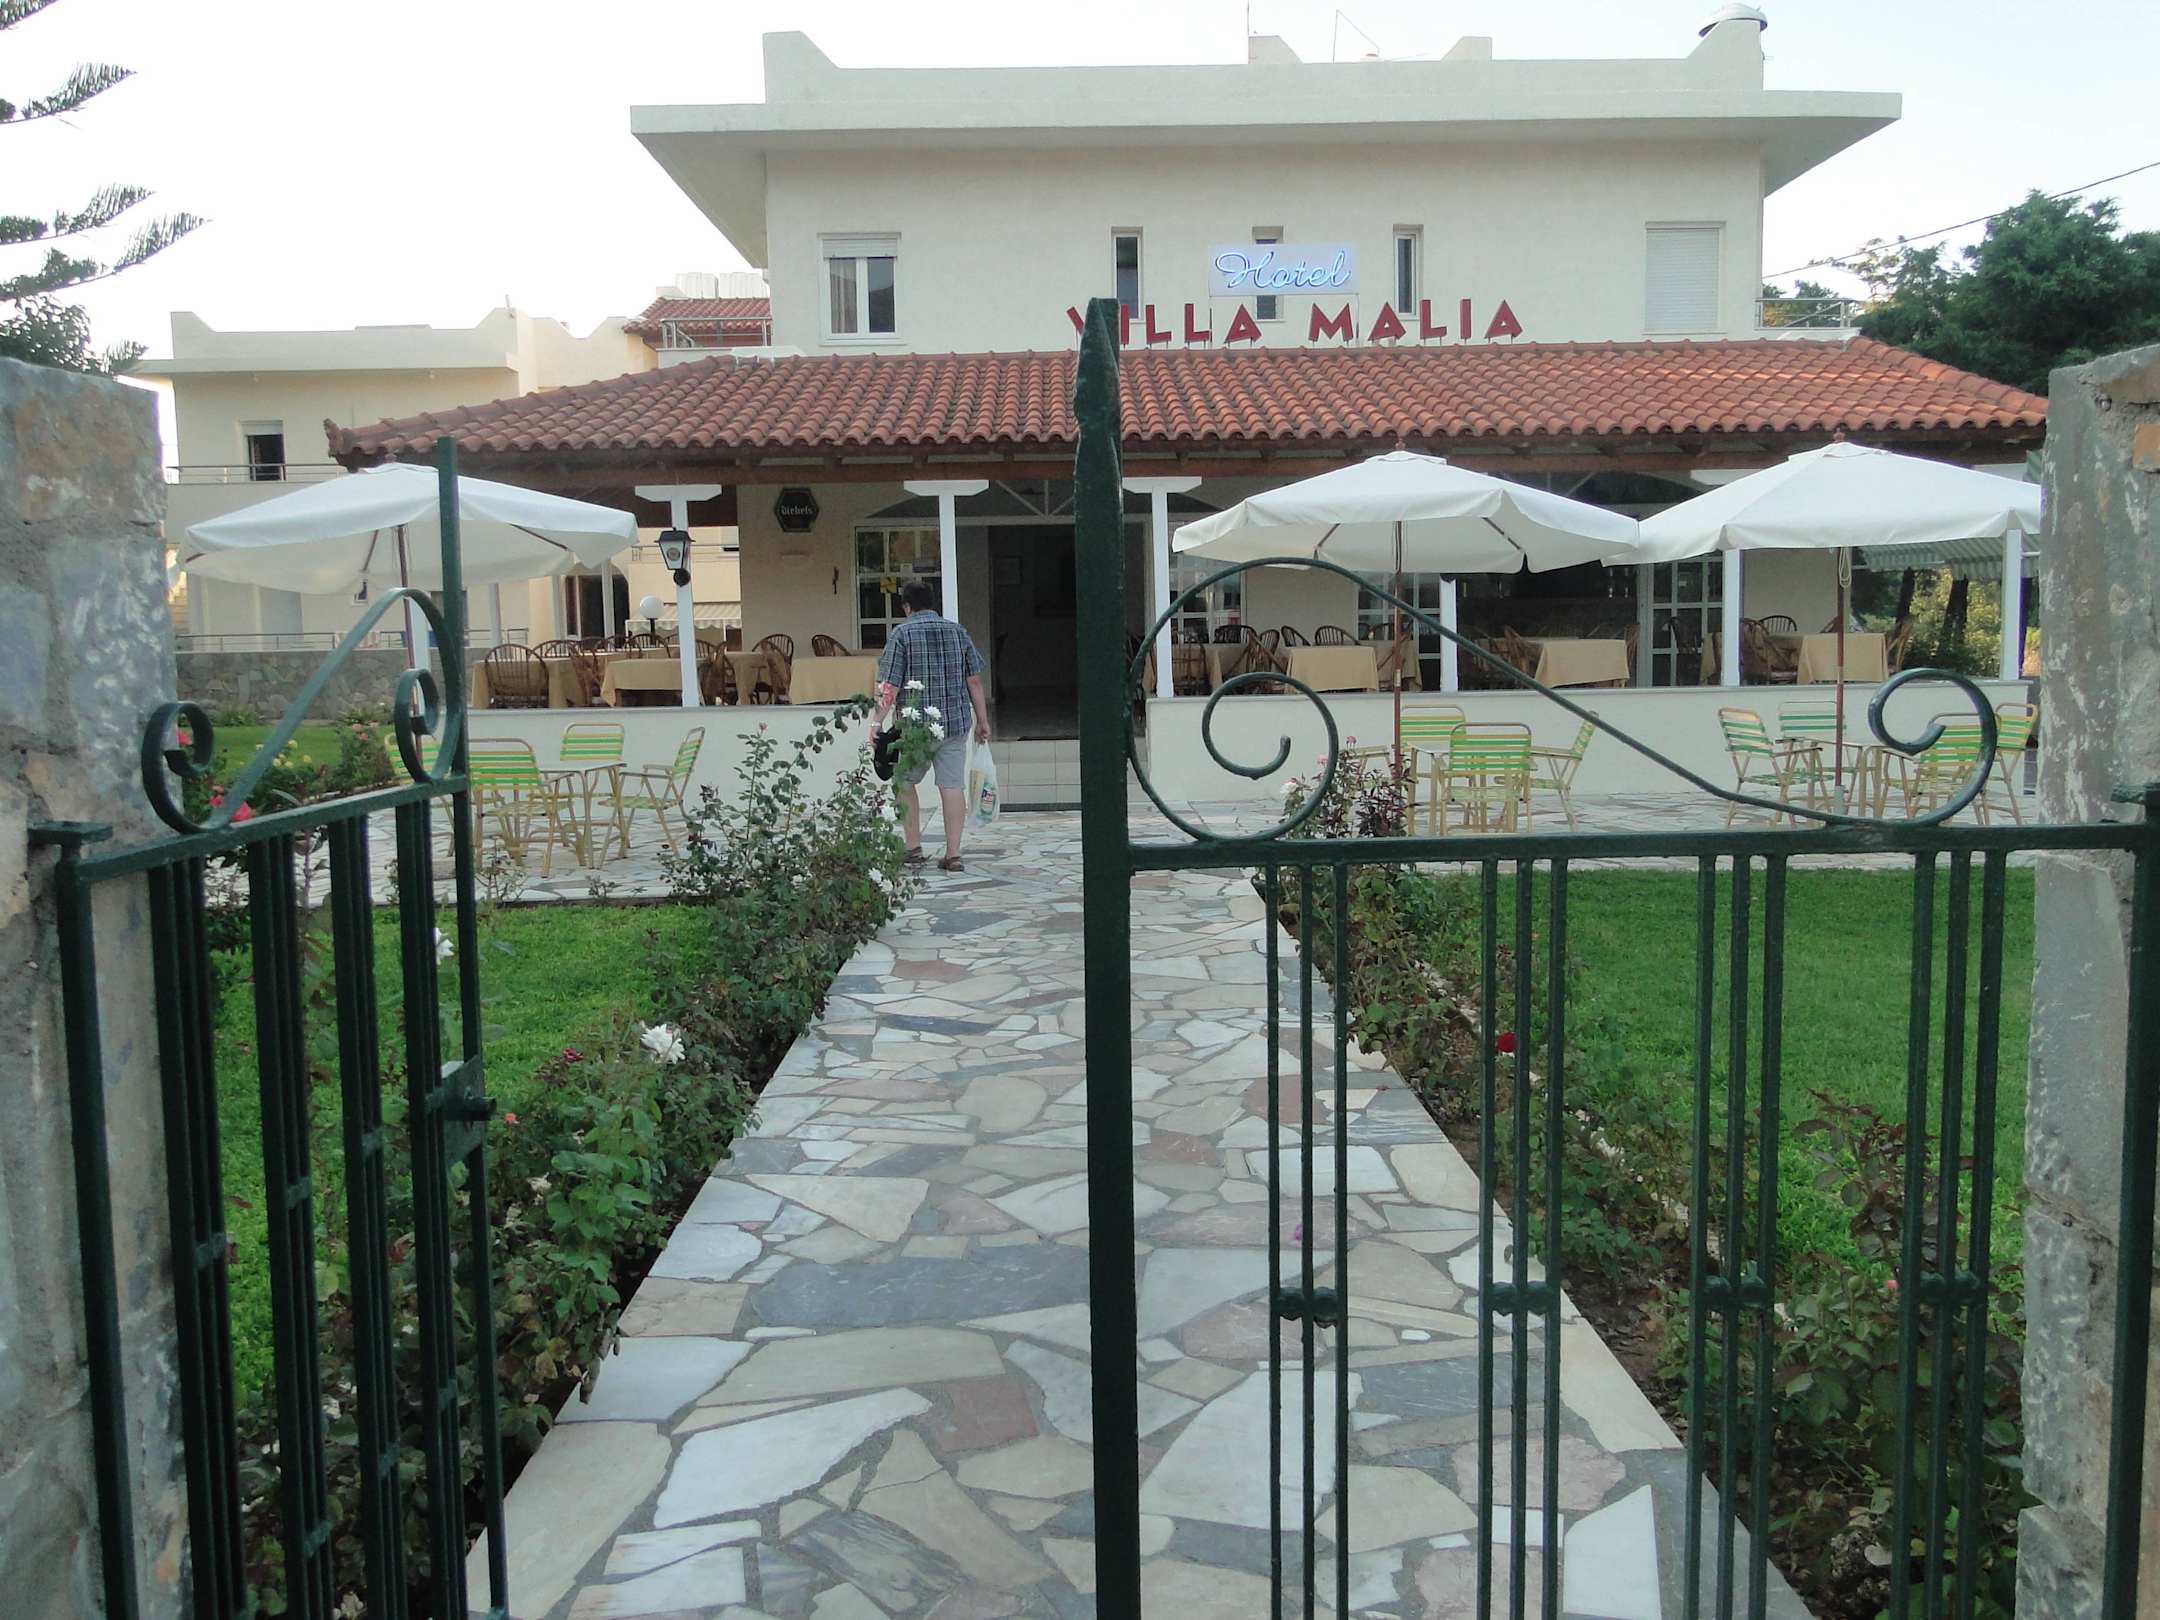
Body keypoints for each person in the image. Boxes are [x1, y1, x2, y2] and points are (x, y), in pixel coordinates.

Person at [871, 581, 990, 871]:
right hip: (955, 724)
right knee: (952, 786)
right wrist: (983, 720)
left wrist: (876, 721)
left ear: (906, 606)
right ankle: (953, 854)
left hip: (915, 728)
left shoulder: (901, 634)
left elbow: (889, 686)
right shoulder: (958, 631)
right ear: (933, 603)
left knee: (903, 781)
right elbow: (974, 681)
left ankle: (913, 848)